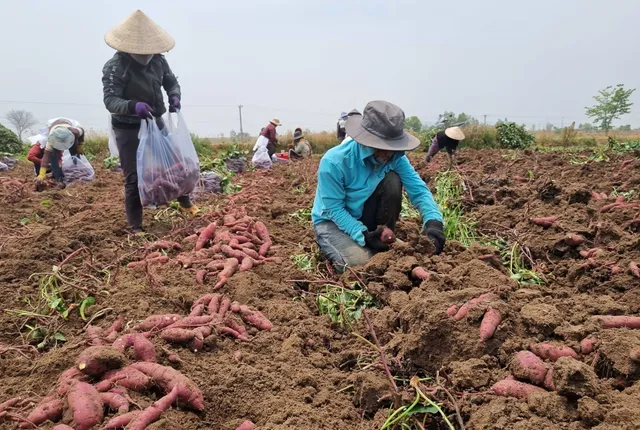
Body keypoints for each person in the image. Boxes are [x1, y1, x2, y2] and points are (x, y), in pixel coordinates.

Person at [312, 100, 445, 268]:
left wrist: (434, 222)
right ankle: (359, 243)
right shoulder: (334, 162)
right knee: (363, 265)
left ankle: (383, 238)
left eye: (392, 147)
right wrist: (364, 234)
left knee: (392, 180)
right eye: (380, 147)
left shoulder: (395, 157)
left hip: (363, 214)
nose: (387, 154)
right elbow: (334, 209)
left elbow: (418, 190)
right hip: (331, 221)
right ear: (364, 139)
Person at [101, 10, 199, 233]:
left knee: (176, 164)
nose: (147, 57)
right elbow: (110, 100)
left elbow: (171, 81)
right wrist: (132, 106)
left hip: (155, 119)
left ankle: (185, 202)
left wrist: (174, 95)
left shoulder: (158, 61)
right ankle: (135, 225)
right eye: (142, 53)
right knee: (133, 175)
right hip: (128, 127)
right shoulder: (115, 67)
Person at [32, 118, 85, 189]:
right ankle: (59, 180)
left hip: (68, 130)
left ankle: (78, 172)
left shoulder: (75, 132)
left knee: (74, 152)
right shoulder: (51, 140)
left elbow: (82, 132)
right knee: (54, 158)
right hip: (54, 131)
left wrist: (79, 145)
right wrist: (42, 173)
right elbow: (46, 157)